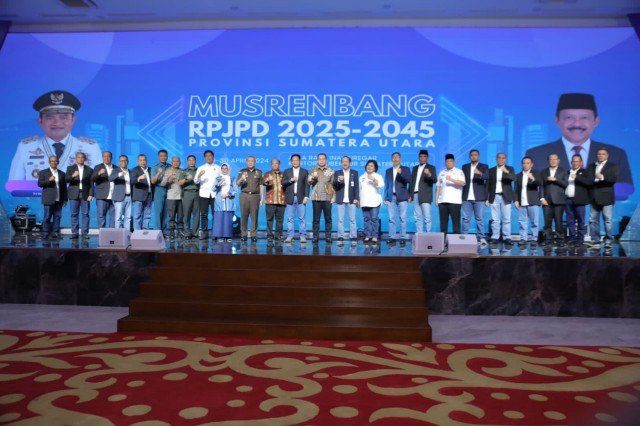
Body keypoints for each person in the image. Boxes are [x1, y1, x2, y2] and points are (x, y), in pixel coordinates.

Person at [525, 93, 632, 200]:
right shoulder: (536, 154)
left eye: (584, 117)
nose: (577, 124)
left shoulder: (616, 154)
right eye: (569, 117)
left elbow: (627, 189)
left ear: (596, 121)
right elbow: (532, 188)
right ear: (557, 120)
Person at [9, 90, 102, 181]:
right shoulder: (26, 148)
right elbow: (14, 185)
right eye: (50, 117)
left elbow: (101, 184)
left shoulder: (90, 148)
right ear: (40, 121)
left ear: (73, 120)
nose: (57, 123)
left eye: (64, 117)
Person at [587, 148, 618, 249]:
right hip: (594, 197)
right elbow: (588, 180)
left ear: (607, 155)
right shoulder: (591, 166)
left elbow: (613, 179)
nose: (600, 156)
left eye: (603, 154)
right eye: (599, 154)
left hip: (606, 197)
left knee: (607, 219)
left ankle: (608, 240)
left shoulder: (612, 166)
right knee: (593, 220)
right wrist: (594, 179)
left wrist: (602, 177)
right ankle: (595, 240)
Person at [486, 153, 516, 245]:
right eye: (499, 158)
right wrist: (487, 198)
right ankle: (495, 237)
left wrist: (506, 171)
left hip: (506, 196)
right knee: (495, 219)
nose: (501, 159)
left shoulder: (510, 169)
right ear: (496, 159)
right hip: (494, 196)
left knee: (506, 218)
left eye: (503, 158)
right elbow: (488, 184)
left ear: (505, 159)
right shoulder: (491, 170)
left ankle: (507, 237)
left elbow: (513, 178)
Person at [461, 149, 489, 246]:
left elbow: (487, 177)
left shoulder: (484, 166)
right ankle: (464, 237)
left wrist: (480, 173)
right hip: (466, 197)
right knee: (465, 218)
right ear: (470, 156)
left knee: (479, 218)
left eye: (475, 155)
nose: (474, 156)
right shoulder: (465, 167)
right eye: (472, 155)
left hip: (479, 197)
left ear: (478, 156)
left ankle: (481, 237)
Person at [384, 152, 412, 246]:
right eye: (394, 157)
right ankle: (392, 237)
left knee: (403, 218)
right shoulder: (388, 171)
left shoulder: (405, 169)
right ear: (391, 159)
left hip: (403, 196)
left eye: (397, 157)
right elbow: (387, 185)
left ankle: (403, 237)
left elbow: (409, 181)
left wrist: (401, 174)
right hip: (391, 196)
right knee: (391, 218)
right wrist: (385, 197)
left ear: (400, 159)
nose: (395, 159)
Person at [540, 153, 568, 245]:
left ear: (558, 161)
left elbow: (566, 184)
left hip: (559, 200)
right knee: (547, 221)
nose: (553, 161)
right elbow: (541, 186)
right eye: (551, 159)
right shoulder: (543, 172)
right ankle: (548, 239)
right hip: (547, 200)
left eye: (554, 159)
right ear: (548, 161)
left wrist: (555, 179)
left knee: (558, 221)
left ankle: (560, 238)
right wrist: (542, 198)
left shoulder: (563, 171)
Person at [37, 156, 67, 240]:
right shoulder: (43, 172)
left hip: (59, 199)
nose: (53, 163)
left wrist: (65, 199)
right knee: (47, 217)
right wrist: (49, 180)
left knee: (57, 217)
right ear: (49, 162)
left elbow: (64, 187)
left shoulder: (62, 173)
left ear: (58, 162)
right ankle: (45, 233)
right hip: (48, 198)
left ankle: (55, 233)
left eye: (55, 161)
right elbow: (39, 184)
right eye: (52, 161)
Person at [514, 156, 542, 247]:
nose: (525, 165)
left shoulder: (536, 173)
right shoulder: (518, 175)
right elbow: (516, 189)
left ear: (531, 164)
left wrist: (533, 178)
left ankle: (534, 238)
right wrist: (516, 200)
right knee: (522, 221)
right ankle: (523, 238)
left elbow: (540, 183)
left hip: (533, 201)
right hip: (522, 202)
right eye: (524, 163)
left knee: (534, 222)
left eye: (527, 163)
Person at [565, 154, 592, 246]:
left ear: (581, 162)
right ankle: (572, 238)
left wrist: (577, 177)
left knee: (581, 220)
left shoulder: (585, 172)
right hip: (568, 200)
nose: (575, 163)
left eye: (577, 161)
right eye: (573, 161)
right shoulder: (567, 172)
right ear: (571, 162)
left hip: (579, 201)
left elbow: (589, 182)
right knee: (570, 220)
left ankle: (580, 239)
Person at [435, 154, 465, 235]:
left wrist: (452, 179)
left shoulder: (459, 171)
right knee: (443, 224)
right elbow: (438, 186)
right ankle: (443, 240)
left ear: (454, 162)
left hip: (455, 202)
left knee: (456, 223)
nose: (448, 163)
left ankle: (456, 241)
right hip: (442, 201)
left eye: (450, 161)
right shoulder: (442, 172)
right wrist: (437, 199)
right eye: (447, 161)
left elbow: (462, 183)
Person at [308, 153, 335, 244]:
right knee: (316, 219)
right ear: (317, 160)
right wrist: (313, 178)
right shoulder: (313, 170)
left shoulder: (331, 170)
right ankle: (315, 237)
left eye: (323, 159)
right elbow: (309, 182)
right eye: (320, 159)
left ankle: (328, 237)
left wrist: (334, 197)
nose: (321, 160)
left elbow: (333, 184)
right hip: (316, 198)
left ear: (326, 160)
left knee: (328, 219)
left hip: (327, 198)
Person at [194, 150, 221, 240]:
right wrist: (199, 175)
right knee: (203, 214)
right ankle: (204, 232)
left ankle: (215, 232)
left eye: (210, 156)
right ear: (204, 158)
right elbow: (196, 181)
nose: (208, 157)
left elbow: (221, 180)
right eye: (206, 156)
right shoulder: (201, 168)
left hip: (215, 194)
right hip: (203, 194)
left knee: (215, 214)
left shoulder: (218, 168)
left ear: (213, 157)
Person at [333, 156, 360, 245]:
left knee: (352, 219)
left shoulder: (354, 173)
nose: (345, 163)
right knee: (340, 219)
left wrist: (356, 198)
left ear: (350, 163)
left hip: (352, 199)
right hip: (341, 199)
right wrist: (338, 180)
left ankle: (353, 236)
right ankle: (340, 236)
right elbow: (334, 185)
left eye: (346, 161)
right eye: (343, 161)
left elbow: (356, 187)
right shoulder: (337, 173)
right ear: (341, 163)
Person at [236, 156, 264, 243]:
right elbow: (237, 184)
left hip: (255, 196)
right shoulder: (242, 171)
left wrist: (262, 197)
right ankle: (243, 234)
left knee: (254, 216)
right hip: (244, 195)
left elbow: (261, 185)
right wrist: (242, 178)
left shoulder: (259, 172)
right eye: (249, 161)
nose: (250, 162)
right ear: (246, 162)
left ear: (255, 162)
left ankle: (253, 235)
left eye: (252, 161)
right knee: (244, 216)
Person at [282, 154, 309, 244]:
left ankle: (303, 236)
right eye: (293, 160)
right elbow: (283, 182)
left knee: (302, 218)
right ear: (291, 161)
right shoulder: (287, 171)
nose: (295, 162)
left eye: (297, 160)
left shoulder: (304, 171)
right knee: (290, 218)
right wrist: (290, 180)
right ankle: (290, 236)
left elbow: (307, 185)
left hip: (301, 197)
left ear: (300, 161)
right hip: (290, 197)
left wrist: (306, 196)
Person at [66, 151, 93, 240]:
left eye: (82, 157)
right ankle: (75, 233)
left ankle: (85, 233)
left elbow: (91, 184)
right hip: (73, 194)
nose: (80, 159)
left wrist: (91, 194)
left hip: (85, 194)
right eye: (78, 157)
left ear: (84, 159)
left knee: (85, 214)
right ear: (76, 159)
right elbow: (66, 179)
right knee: (74, 214)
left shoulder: (89, 169)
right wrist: (73, 175)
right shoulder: (70, 168)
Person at [409, 149, 437, 234]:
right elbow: (411, 182)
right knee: (417, 217)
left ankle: (428, 235)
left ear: (427, 158)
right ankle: (419, 235)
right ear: (418, 158)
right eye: (420, 156)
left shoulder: (431, 167)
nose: (422, 158)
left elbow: (434, 180)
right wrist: (410, 194)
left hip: (425, 195)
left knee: (427, 217)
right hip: (415, 195)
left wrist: (429, 174)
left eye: (424, 156)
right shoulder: (414, 168)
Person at [359, 159, 384, 244]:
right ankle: (367, 235)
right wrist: (358, 199)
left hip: (375, 202)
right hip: (364, 201)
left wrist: (373, 179)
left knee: (374, 219)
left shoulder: (378, 176)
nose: (369, 167)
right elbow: (359, 189)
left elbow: (380, 186)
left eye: (371, 166)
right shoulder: (361, 177)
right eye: (368, 165)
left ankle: (375, 236)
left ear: (375, 168)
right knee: (366, 219)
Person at [262, 158, 286, 244]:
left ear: (279, 165)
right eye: (273, 163)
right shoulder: (267, 174)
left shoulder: (283, 174)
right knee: (269, 219)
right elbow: (263, 183)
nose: (274, 165)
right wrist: (267, 180)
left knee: (280, 220)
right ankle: (269, 235)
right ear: (271, 165)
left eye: (276, 163)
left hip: (281, 200)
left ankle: (278, 235)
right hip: (270, 200)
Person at [91, 151, 116, 228]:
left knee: (114, 216)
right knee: (101, 215)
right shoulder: (98, 167)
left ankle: (112, 232)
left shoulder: (116, 168)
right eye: (104, 156)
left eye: (108, 156)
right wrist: (99, 173)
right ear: (102, 157)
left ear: (111, 158)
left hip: (114, 196)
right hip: (102, 195)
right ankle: (102, 233)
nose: (106, 158)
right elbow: (92, 179)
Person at [162, 156, 184, 241]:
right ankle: (171, 232)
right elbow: (163, 183)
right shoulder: (168, 171)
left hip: (181, 197)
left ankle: (180, 232)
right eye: (174, 161)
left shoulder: (182, 171)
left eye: (177, 161)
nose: (176, 163)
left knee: (180, 216)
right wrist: (169, 180)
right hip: (171, 197)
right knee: (171, 216)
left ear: (180, 162)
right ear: (171, 162)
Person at [213, 163, 236, 242]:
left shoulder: (232, 178)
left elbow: (235, 190)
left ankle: (228, 236)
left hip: (229, 201)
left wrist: (228, 194)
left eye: (226, 168)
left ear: (228, 169)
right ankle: (220, 236)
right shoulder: (217, 178)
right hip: (219, 201)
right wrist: (218, 184)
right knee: (219, 218)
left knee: (228, 219)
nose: (224, 170)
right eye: (222, 168)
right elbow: (213, 189)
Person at [179, 155, 200, 240]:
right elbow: (180, 183)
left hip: (197, 193)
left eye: (193, 160)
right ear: (187, 161)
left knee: (196, 214)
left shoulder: (199, 170)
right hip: (187, 193)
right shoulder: (184, 171)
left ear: (195, 161)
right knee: (186, 214)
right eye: (189, 160)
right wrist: (187, 179)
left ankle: (195, 233)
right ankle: (187, 232)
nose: (191, 162)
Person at [130, 154, 153, 230]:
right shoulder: (134, 170)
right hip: (139, 196)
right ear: (138, 161)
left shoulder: (150, 169)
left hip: (149, 195)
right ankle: (137, 232)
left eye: (144, 160)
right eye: (141, 160)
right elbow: (132, 181)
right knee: (137, 215)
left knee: (147, 215)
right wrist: (139, 178)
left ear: (146, 161)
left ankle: (145, 231)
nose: (143, 162)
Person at [110, 155, 132, 231]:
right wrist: (119, 174)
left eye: (125, 160)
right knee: (118, 218)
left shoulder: (130, 171)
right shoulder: (116, 170)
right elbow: (110, 178)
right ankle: (118, 235)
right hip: (119, 198)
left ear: (128, 162)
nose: (123, 162)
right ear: (119, 162)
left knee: (128, 218)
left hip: (129, 197)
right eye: (121, 160)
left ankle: (126, 234)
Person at [150, 150, 170, 234]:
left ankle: (164, 231)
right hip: (159, 190)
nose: (163, 157)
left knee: (166, 212)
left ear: (167, 156)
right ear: (158, 157)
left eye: (165, 156)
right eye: (161, 156)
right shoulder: (155, 167)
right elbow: (153, 181)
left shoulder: (170, 166)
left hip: (169, 190)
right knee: (158, 212)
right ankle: (157, 232)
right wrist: (158, 173)